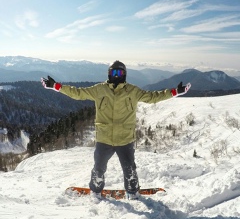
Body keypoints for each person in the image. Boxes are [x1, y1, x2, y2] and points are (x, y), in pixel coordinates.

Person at [41, 60, 191, 200]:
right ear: (109, 74)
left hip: (125, 139)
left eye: (119, 73)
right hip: (104, 139)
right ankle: (96, 191)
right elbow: (78, 93)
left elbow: (152, 97)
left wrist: (174, 92)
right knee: (98, 169)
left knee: (130, 170)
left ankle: (133, 193)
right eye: (114, 73)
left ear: (124, 75)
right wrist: (56, 87)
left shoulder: (132, 91)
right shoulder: (99, 90)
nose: (117, 76)